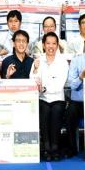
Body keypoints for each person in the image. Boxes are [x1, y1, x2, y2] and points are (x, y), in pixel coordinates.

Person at [31, 32, 70, 161]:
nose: (51, 46)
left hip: (58, 98)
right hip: (42, 98)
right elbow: (33, 80)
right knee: (45, 110)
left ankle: (55, 147)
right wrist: (35, 70)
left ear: (57, 45)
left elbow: (59, 84)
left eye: (54, 43)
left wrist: (44, 88)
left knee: (56, 111)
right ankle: (47, 148)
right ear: (43, 45)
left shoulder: (63, 62)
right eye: (48, 43)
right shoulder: (38, 61)